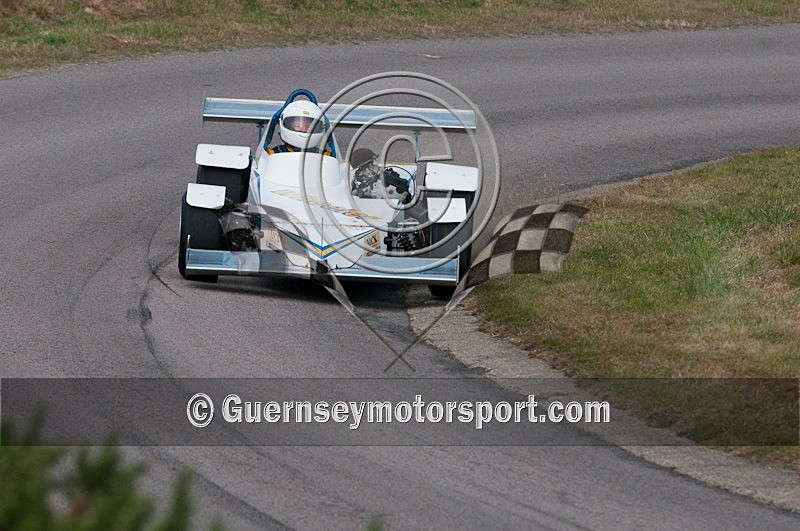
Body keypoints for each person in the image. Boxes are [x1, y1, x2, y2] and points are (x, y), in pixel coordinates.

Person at [267, 100, 331, 156]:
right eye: (298, 126)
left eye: (308, 127)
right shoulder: (273, 154)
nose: (303, 129)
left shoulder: (325, 156)